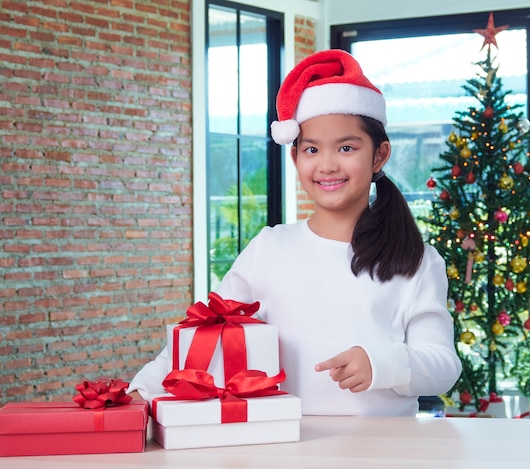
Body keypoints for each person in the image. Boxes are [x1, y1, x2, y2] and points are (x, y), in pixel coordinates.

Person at [129, 49, 461, 416]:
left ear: (379, 155)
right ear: (295, 158)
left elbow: (443, 366)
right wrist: (140, 393)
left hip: (379, 448)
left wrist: (382, 363)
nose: (327, 165)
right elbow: (201, 334)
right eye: (312, 149)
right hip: (285, 440)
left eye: (347, 147)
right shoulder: (270, 248)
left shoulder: (417, 261)